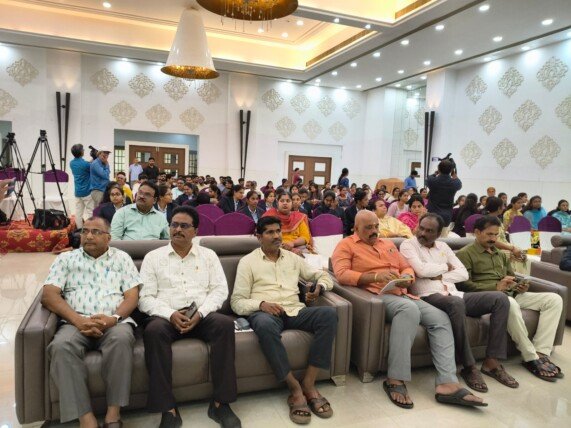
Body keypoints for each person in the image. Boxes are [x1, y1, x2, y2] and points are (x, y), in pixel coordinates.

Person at [332, 210, 485, 408]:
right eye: (368, 227)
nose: (374, 231)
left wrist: (407, 277)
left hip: (402, 293)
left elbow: (406, 267)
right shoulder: (345, 245)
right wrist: (375, 277)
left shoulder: (387, 244)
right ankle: (395, 379)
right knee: (408, 310)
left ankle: (447, 383)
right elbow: (342, 274)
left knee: (440, 318)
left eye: (376, 226)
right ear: (355, 228)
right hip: (375, 296)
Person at [138, 206, 241, 428]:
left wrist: (201, 313)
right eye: (174, 225)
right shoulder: (153, 258)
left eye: (184, 226)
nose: (177, 229)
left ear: (196, 231)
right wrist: (170, 314)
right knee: (153, 331)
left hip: (201, 314)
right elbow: (144, 297)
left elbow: (219, 290)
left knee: (224, 324)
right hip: (166, 316)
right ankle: (168, 409)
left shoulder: (209, 256)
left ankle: (220, 404)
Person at [231, 216, 336, 424]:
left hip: (294, 310)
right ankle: (294, 388)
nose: (276, 236)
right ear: (259, 237)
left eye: (278, 231)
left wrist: (320, 287)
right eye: (270, 232)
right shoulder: (248, 262)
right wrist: (261, 304)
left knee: (329, 314)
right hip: (266, 313)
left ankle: (309, 383)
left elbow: (322, 276)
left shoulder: (293, 258)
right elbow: (237, 302)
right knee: (263, 324)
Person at [41, 217, 140, 428]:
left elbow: (132, 296)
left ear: (108, 238)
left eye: (96, 232)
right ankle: (86, 419)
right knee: (61, 346)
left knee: (122, 340)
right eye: (85, 231)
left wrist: (113, 319)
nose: (88, 236)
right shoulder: (66, 259)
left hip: (114, 322)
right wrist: (78, 321)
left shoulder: (122, 258)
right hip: (74, 321)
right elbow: (49, 295)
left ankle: (113, 415)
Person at [400, 213, 516, 391]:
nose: (422, 233)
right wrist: (445, 267)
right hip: (427, 296)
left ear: (439, 234)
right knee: (455, 303)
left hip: (454, 293)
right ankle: (468, 366)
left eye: (429, 231)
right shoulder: (409, 245)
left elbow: (463, 274)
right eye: (421, 228)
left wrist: (439, 275)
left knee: (500, 299)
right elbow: (421, 271)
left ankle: (492, 361)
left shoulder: (443, 247)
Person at [456, 215, 563, 382]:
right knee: (507, 301)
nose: (493, 239)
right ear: (477, 232)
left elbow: (511, 277)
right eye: (489, 234)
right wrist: (495, 287)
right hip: (486, 299)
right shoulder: (465, 254)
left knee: (554, 299)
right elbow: (463, 285)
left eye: (496, 235)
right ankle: (530, 357)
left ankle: (541, 352)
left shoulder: (500, 254)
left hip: (509, 294)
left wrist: (519, 286)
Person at [484, 197, 528, 274]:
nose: (504, 208)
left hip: (502, 245)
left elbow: (502, 233)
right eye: (503, 206)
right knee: (519, 256)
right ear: (499, 208)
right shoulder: (490, 221)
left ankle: (518, 276)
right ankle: (515, 276)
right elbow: (493, 241)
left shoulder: (495, 219)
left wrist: (510, 221)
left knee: (522, 254)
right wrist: (511, 248)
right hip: (495, 248)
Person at [426, 160, 462, 232]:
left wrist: (435, 173)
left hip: (432, 215)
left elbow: (429, 178)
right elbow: (458, 183)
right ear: (451, 170)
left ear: (438, 169)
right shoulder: (455, 183)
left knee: (430, 236)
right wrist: (454, 175)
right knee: (443, 237)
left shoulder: (432, 181)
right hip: (446, 217)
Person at [69, 144, 93, 230]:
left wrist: (91, 160)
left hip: (77, 192)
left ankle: (79, 230)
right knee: (90, 212)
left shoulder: (71, 163)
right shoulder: (86, 164)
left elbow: (86, 165)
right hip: (87, 192)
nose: (84, 150)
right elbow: (90, 166)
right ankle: (90, 229)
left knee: (78, 213)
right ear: (81, 152)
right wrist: (95, 157)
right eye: (83, 149)